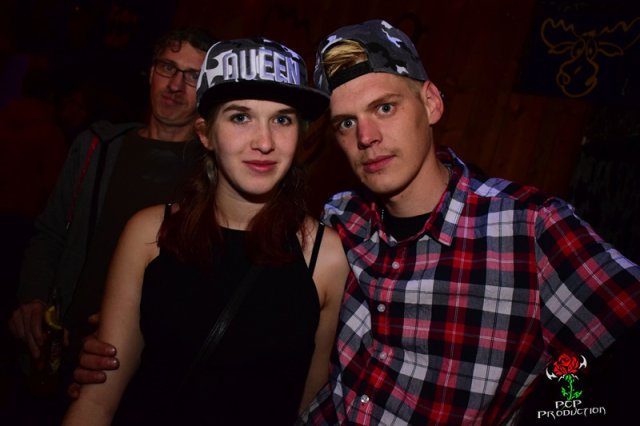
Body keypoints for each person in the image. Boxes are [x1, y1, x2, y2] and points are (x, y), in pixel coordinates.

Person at [70, 19, 640, 425]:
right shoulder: (344, 223)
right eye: (345, 122)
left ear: (432, 103)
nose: (367, 136)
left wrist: (557, 403)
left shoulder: (529, 227)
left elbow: (615, 362)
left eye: (384, 107)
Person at [62, 36, 348, 425]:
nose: (264, 142)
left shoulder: (325, 256)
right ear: (205, 133)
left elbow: (309, 410)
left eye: (282, 119)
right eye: (240, 117)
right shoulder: (149, 233)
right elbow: (97, 402)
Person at [7, 26, 213, 413]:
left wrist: (143, 324)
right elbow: (49, 235)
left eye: (193, 76)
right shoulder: (96, 147)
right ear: (150, 72)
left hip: (130, 373)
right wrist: (32, 299)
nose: (175, 85)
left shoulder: (211, 176)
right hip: (54, 354)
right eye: (168, 67)